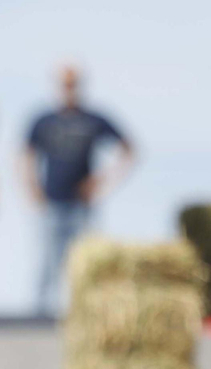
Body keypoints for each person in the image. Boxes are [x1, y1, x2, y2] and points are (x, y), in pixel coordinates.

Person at [24, 63, 134, 318]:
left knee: (86, 264)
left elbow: (129, 150)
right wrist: (32, 188)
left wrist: (102, 181)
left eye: (73, 83)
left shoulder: (93, 120)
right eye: (64, 83)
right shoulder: (44, 120)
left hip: (82, 207)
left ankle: (87, 315)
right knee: (47, 265)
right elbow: (25, 155)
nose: (69, 89)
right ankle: (39, 320)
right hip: (51, 204)